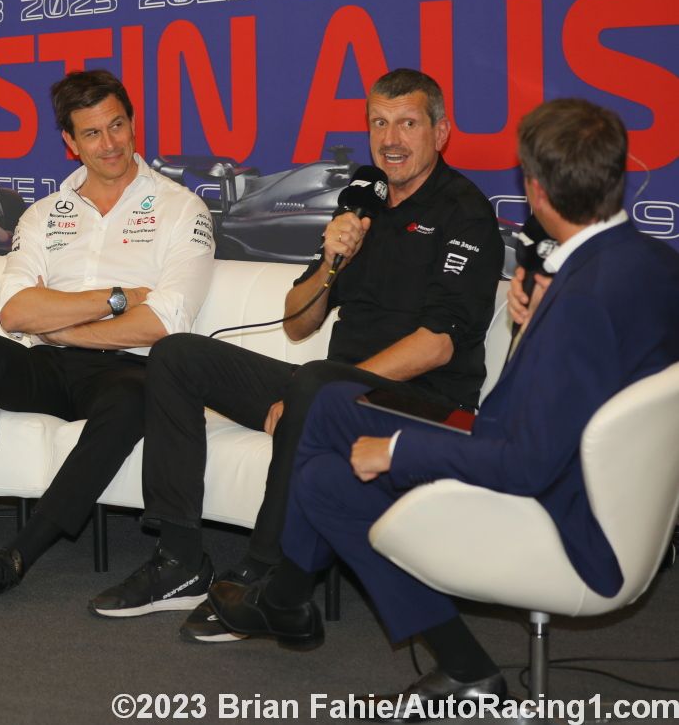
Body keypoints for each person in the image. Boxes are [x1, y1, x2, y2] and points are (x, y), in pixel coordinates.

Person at [209, 97, 679, 708]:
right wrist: (535, 325)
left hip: (563, 511)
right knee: (324, 422)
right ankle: (330, 613)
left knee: (328, 450)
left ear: (535, 190)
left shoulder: (582, 301)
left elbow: (526, 462)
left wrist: (396, 451)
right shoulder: (650, 262)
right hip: (602, 487)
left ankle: (294, 598)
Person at [94, 69, 503, 637]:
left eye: (408, 124)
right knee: (177, 355)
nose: (392, 140)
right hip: (337, 384)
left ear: (441, 132)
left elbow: (437, 346)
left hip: (425, 403)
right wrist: (332, 262)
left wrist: (325, 394)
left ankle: (262, 577)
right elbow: (296, 321)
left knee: (313, 385)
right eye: (379, 124)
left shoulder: (465, 212)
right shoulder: (363, 204)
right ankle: (181, 560)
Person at [0, 69, 216, 607]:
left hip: (127, 369)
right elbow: (13, 310)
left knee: (137, 396)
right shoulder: (45, 213)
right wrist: (116, 297)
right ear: (70, 143)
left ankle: (19, 555)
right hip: (49, 364)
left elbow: (162, 324)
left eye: (117, 125)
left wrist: (60, 320)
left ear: (134, 123)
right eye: (92, 133)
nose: (110, 143)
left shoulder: (181, 208)